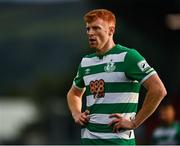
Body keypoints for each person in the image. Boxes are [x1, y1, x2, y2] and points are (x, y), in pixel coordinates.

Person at [67, 9, 167, 145]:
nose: (90, 33)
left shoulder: (128, 56)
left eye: (96, 28)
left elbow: (158, 90)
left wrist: (134, 123)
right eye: (88, 29)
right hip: (89, 141)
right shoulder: (86, 62)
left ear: (111, 30)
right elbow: (74, 93)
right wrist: (76, 113)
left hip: (118, 142)